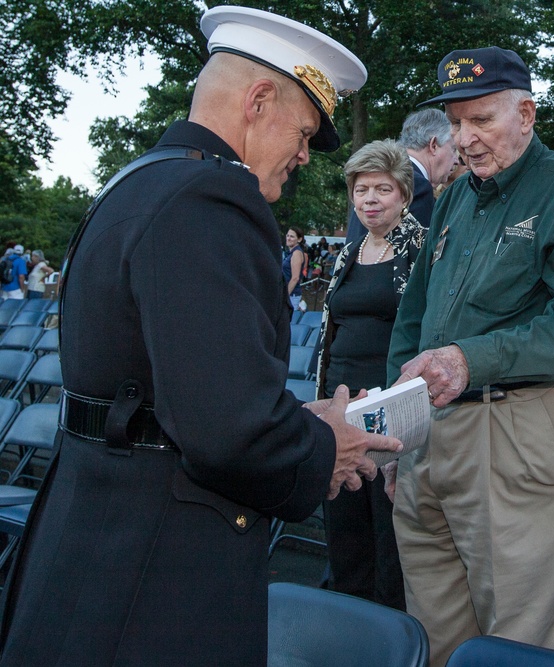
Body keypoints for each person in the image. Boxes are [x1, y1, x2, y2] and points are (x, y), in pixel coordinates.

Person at [0, 7, 401, 665]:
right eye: (302, 132)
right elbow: (228, 429)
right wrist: (326, 441)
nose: (305, 154)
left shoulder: (137, 183)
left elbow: (169, 388)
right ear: (258, 100)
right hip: (157, 572)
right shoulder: (212, 199)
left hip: (95, 539)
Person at [386, 46, 554, 665]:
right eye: (456, 123)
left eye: (481, 120)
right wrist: (394, 425)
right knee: (435, 631)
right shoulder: (458, 196)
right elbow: (414, 315)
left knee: (527, 640)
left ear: (527, 112)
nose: (465, 138)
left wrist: (468, 358)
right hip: (431, 435)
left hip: (523, 431)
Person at [314, 139, 424, 611]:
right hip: (338, 408)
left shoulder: (421, 247)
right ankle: (346, 632)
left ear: (404, 194)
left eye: (383, 188)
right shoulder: (350, 251)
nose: (370, 200)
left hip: (388, 412)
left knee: (387, 536)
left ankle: (387, 640)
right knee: (344, 529)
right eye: (361, 190)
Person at [345, 108, 458, 243]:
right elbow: (415, 254)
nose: (456, 160)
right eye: (453, 149)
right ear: (433, 145)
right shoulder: (416, 183)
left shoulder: (374, 175)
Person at [283, 226, 308, 310]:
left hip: (291, 295)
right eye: (287, 235)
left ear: (299, 239)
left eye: (292, 236)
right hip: (290, 294)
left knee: (290, 322)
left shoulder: (296, 253)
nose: (288, 238)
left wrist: (285, 296)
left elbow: (295, 278)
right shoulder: (291, 253)